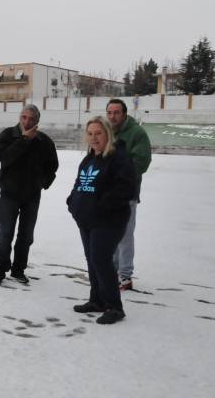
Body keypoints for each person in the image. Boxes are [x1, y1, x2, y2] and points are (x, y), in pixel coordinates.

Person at [67, 116, 136, 324]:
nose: (94, 138)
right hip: (86, 219)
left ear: (108, 134)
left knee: (101, 260)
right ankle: (97, 300)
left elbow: (126, 188)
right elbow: (79, 184)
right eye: (90, 133)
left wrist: (101, 205)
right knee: (92, 260)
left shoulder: (118, 158)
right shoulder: (88, 159)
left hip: (108, 220)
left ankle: (115, 307)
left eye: (98, 133)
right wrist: (72, 202)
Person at [0, 104, 59, 285]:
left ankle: (18, 270)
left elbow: (53, 166)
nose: (27, 122)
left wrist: (43, 183)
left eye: (31, 119)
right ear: (20, 117)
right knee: (5, 234)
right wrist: (24, 140)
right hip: (9, 194)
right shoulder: (7, 136)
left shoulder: (44, 141)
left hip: (32, 196)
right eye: (24, 118)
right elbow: (6, 158)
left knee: (26, 236)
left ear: (37, 121)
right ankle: (0, 270)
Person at [106, 98, 152, 290]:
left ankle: (125, 276)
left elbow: (141, 163)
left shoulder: (137, 133)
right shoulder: (106, 131)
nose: (112, 116)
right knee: (109, 233)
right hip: (106, 193)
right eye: (109, 112)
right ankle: (112, 270)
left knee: (124, 235)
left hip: (127, 194)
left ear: (124, 114)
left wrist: (114, 170)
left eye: (116, 112)